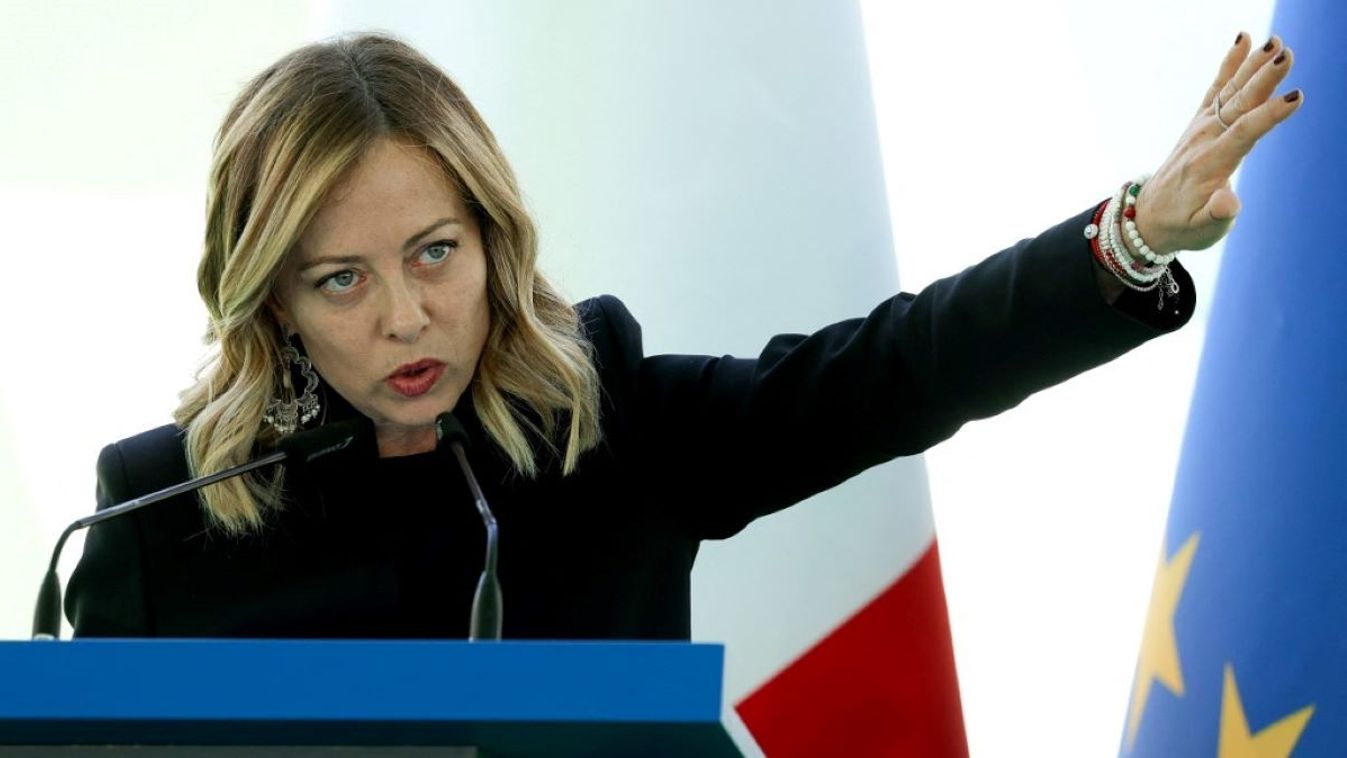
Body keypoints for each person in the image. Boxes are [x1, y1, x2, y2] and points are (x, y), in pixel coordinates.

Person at [65, 31, 1303, 638]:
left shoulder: (613, 426)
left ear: (496, 236)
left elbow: (892, 368)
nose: (404, 314)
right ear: (268, 295)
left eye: (436, 253)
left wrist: (1129, 234)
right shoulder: (155, 515)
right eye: (340, 279)